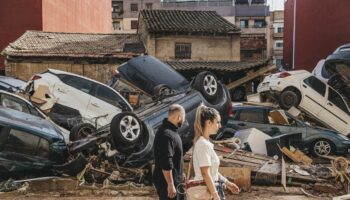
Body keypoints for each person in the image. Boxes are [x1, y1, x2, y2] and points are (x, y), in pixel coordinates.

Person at [192, 105, 240, 200]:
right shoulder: (203, 144)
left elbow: (212, 172)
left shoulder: (206, 143)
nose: (220, 125)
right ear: (209, 122)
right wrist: (215, 195)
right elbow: (205, 173)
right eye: (217, 122)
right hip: (206, 193)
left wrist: (227, 183)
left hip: (210, 190)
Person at [153, 104, 186, 200]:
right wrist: (170, 184)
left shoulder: (171, 132)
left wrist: (180, 173)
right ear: (179, 117)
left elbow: (175, 156)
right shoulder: (167, 135)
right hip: (167, 183)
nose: (183, 121)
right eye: (183, 118)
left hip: (175, 180)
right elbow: (166, 161)